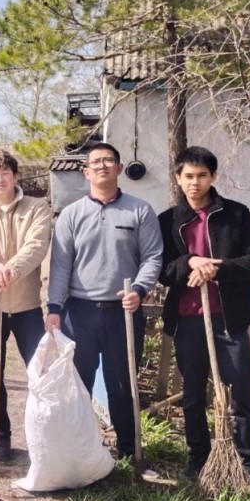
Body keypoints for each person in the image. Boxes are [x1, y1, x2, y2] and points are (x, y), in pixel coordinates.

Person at [157, 146, 250, 487]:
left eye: (202, 176)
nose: (195, 183)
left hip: (229, 318)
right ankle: (198, 459)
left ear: (214, 177)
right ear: (178, 178)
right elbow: (161, 269)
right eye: (188, 176)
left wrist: (215, 268)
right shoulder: (168, 220)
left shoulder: (235, 215)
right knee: (193, 392)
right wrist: (190, 262)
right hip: (188, 318)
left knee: (239, 391)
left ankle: (246, 463)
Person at [45, 142, 163, 461]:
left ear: (119, 168)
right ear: (85, 172)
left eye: (108, 160)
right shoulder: (71, 215)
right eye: (95, 162)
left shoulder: (140, 211)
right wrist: (54, 308)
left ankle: (127, 451)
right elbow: (60, 265)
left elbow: (153, 257)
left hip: (122, 313)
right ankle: (80, 448)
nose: (101, 166)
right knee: (77, 385)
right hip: (78, 313)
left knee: (122, 385)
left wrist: (139, 289)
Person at [0, 149, 51, 459]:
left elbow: (37, 246)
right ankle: (0, 435)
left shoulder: (36, 208)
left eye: (4, 173)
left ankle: (42, 434)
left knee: (39, 373)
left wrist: (9, 268)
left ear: (15, 176)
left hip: (27, 305)